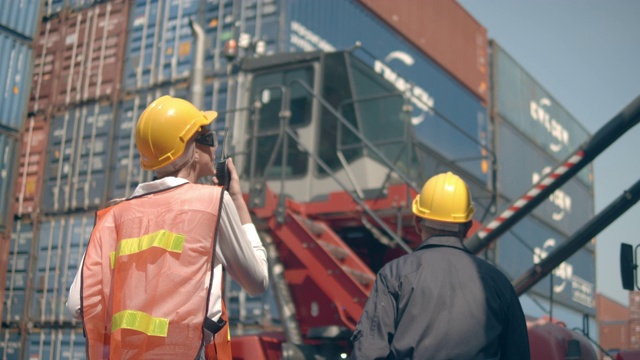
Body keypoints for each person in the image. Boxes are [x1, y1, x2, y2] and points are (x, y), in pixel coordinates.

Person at [66, 95, 269, 359]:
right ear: (192, 151)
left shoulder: (115, 215)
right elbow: (257, 282)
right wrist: (237, 200)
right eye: (207, 138)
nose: (214, 146)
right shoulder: (212, 204)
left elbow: (77, 304)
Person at [350, 172, 530, 359]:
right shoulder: (499, 284)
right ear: (468, 227)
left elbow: (368, 353)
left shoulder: (394, 275)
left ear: (417, 222)